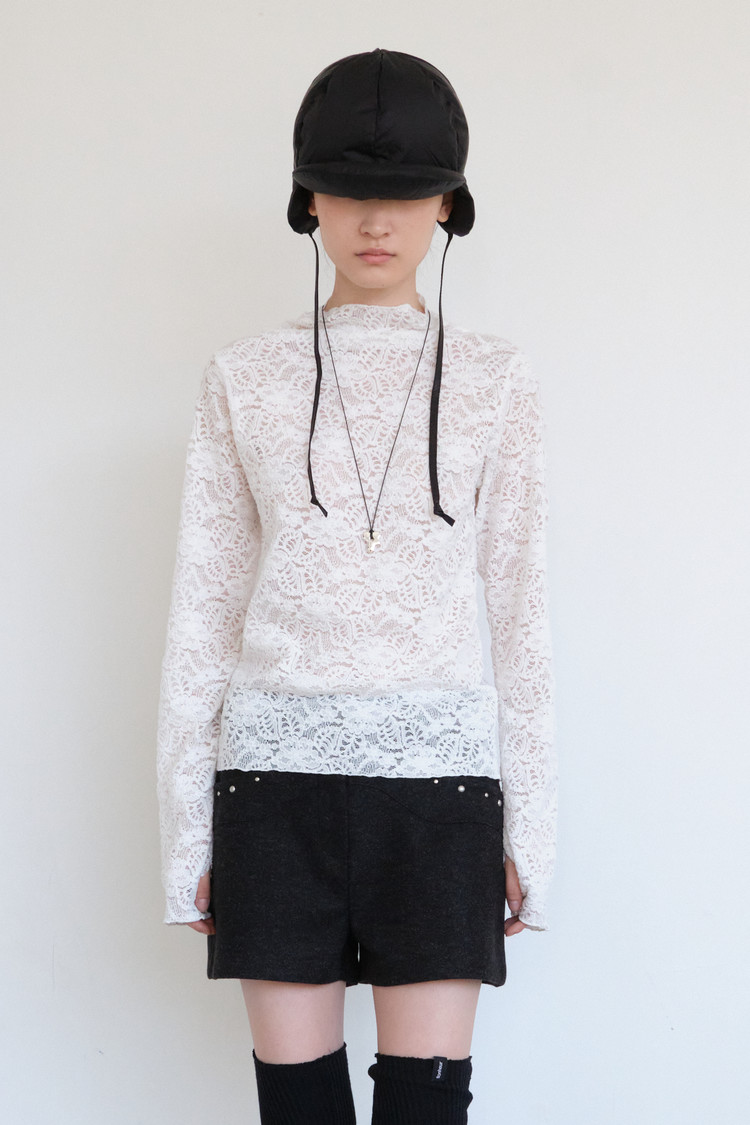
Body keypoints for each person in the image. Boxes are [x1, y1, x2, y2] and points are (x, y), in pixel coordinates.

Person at [157, 48, 556, 1125]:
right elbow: (204, 613)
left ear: (449, 206)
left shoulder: (497, 380)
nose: (377, 221)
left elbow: (521, 611)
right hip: (272, 788)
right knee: (299, 1111)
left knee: (426, 1109)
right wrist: (188, 832)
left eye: (408, 195)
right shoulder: (243, 375)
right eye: (347, 192)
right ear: (309, 203)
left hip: (441, 788)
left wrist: (533, 826)